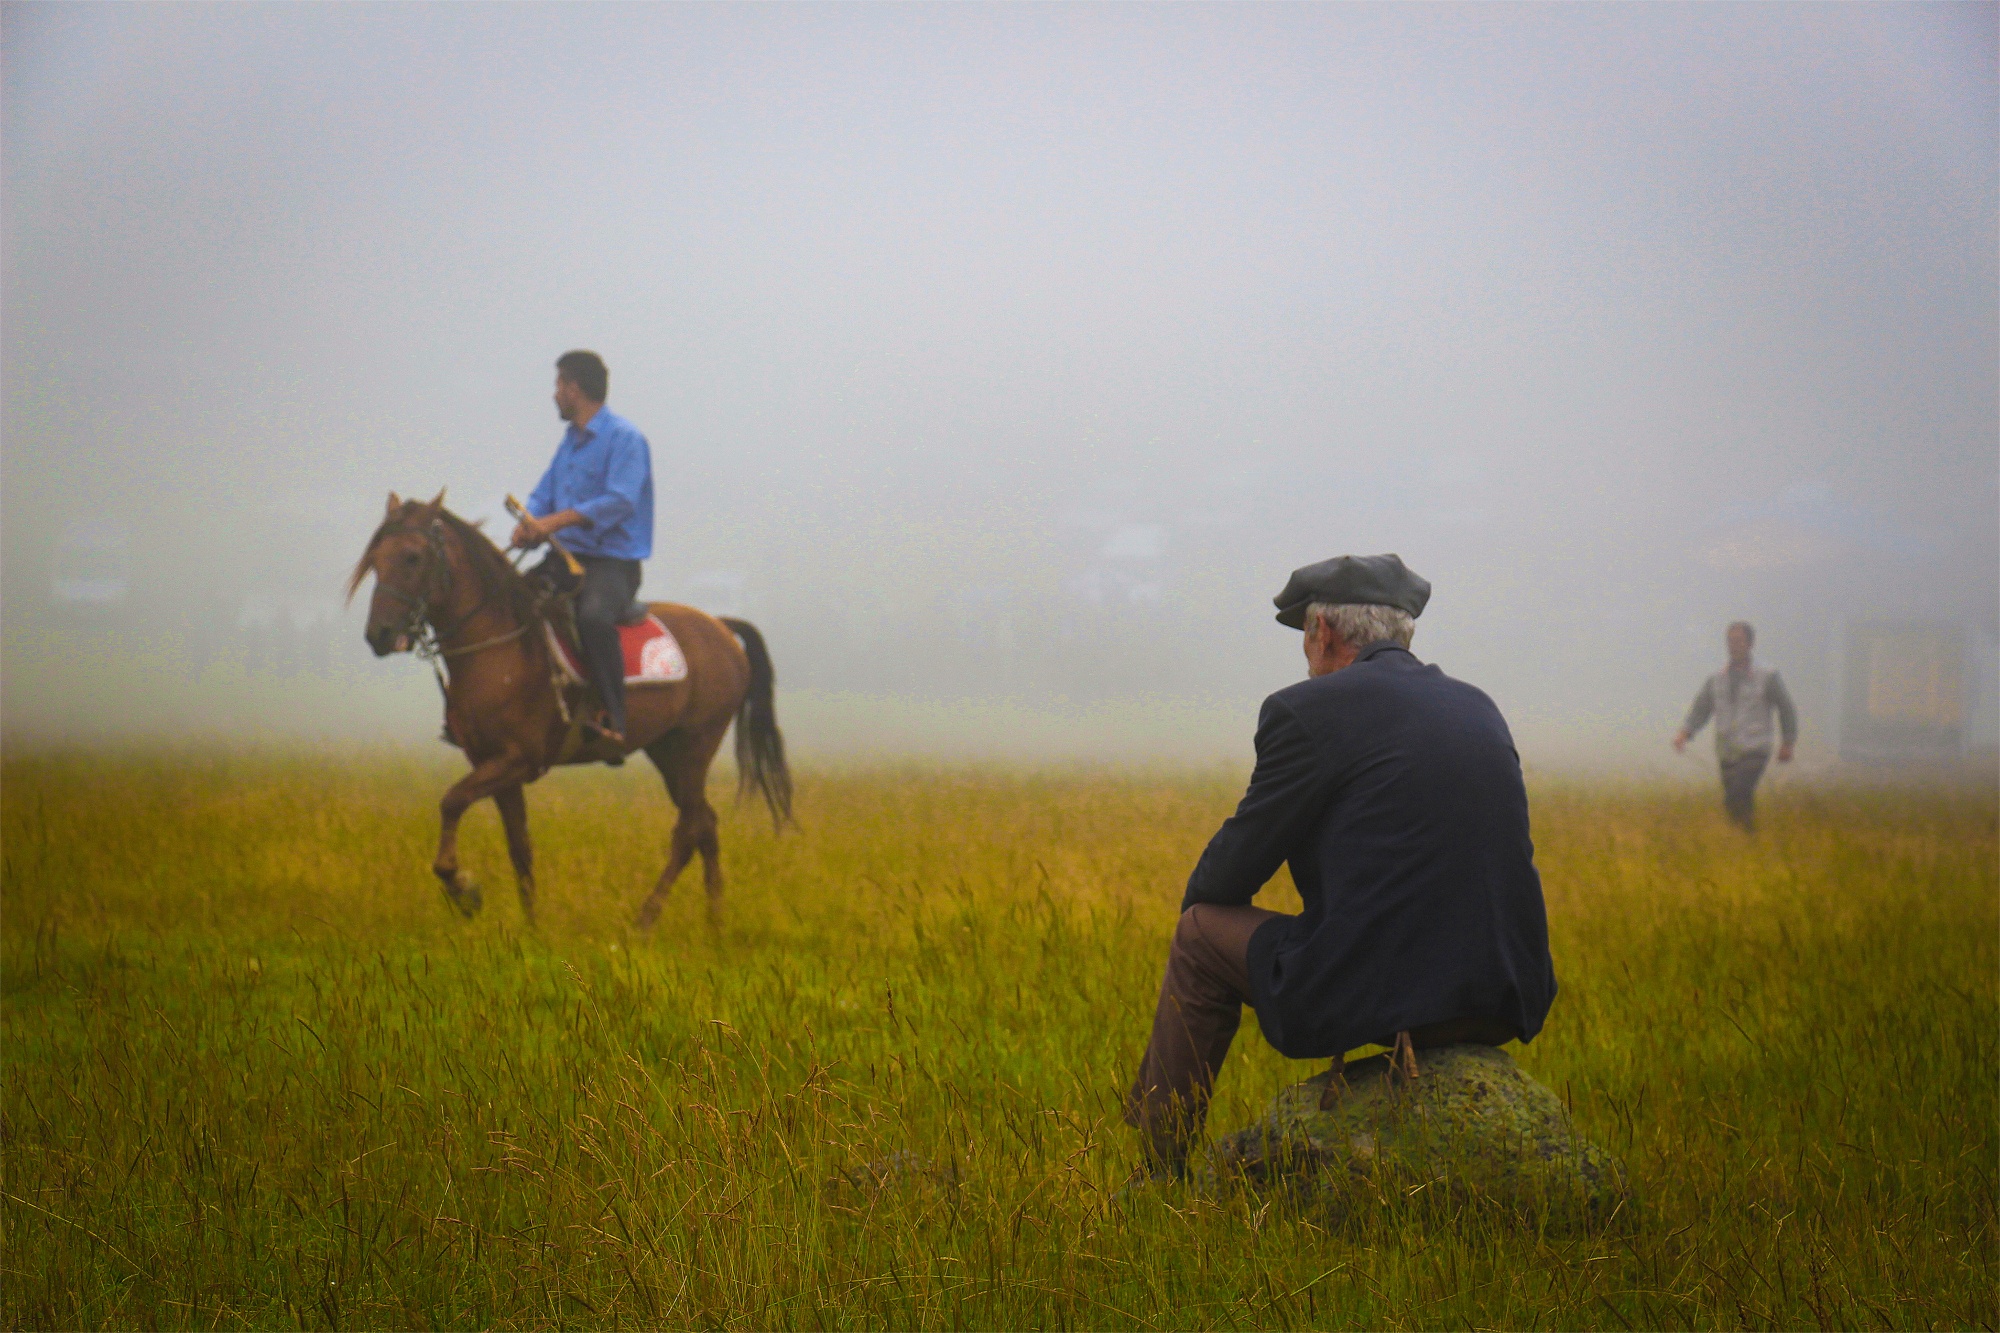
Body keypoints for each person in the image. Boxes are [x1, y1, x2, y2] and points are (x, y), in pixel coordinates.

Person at [1124, 554, 1558, 1175]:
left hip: (1387, 994)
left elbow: (1225, 879)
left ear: (1322, 632)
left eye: (1305, 637)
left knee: (1199, 932)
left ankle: (1157, 1171)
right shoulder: (1478, 707)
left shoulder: (1310, 711)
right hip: (1501, 993)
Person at [510, 350, 655, 746]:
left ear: (575, 389)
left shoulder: (626, 438)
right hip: (564, 560)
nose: (554, 394)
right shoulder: (570, 442)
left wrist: (558, 520)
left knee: (592, 618)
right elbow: (544, 493)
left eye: (558, 385)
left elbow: (621, 501)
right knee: (510, 601)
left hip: (612, 565)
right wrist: (529, 522)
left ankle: (614, 718)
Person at [1673, 621, 1797, 831]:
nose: (1734, 645)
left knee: (1735, 796)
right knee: (1739, 802)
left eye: (1739, 640)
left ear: (1750, 643)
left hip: (1755, 748)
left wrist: (1788, 742)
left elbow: (1786, 708)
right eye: (1730, 641)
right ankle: (1748, 842)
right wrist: (1685, 733)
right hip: (1727, 750)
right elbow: (1701, 708)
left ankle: (1746, 839)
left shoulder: (1767, 676)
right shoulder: (1716, 678)